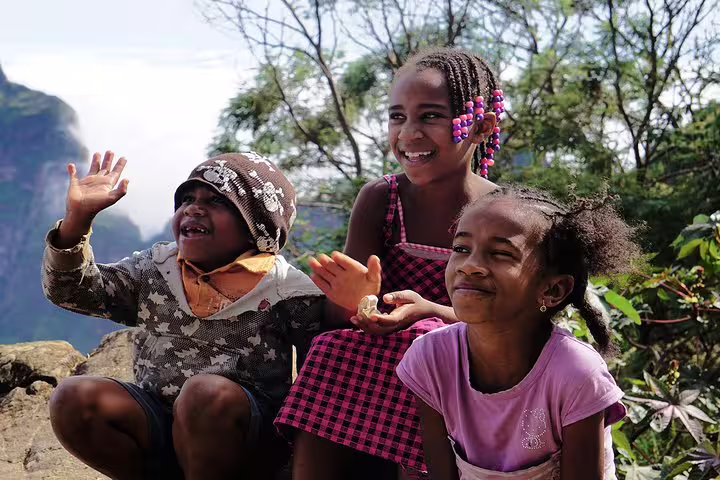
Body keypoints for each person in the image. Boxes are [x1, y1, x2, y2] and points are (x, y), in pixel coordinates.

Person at [275, 47, 505, 479]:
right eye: (397, 117)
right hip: (388, 347)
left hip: (469, 354)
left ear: (481, 127)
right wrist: (358, 299)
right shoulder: (382, 199)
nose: (409, 133)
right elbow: (342, 320)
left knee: (425, 345)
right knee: (330, 350)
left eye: (431, 117)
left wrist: (430, 312)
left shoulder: (501, 212)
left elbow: (508, 321)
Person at [42, 151, 324, 480]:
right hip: (160, 424)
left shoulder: (288, 292)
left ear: (257, 225)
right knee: (74, 398)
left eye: (217, 201)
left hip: (247, 442)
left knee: (204, 395)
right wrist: (77, 224)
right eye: (187, 198)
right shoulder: (156, 268)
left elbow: (319, 394)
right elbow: (72, 292)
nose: (192, 208)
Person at [396, 186, 640, 479]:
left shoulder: (575, 374)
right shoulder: (431, 358)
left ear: (552, 289)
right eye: (461, 248)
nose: (470, 266)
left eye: (500, 253)